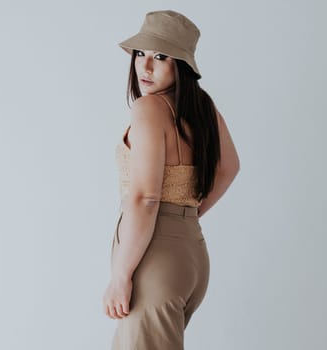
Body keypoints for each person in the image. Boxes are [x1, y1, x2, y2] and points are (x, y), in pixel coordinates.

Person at [102, 10, 240, 349]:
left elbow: (145, 198)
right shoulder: (204, 108)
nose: (146, 67)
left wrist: (120, 277)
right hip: (191, 254)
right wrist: (187, 216)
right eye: (141, 54)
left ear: (182, 64)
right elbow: (229, 167)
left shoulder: (149, 109)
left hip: (156, 260)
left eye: (161, 57)